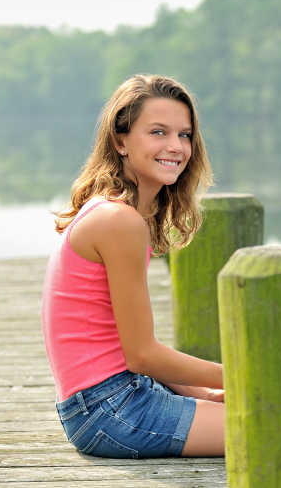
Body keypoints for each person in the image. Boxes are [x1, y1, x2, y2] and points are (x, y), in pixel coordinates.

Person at [41, 74, 224, 458]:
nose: (176, 147)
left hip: (111, 398)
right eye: (158, 132)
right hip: (111, 409)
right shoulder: (119, 221)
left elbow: (128, 353)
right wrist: (240, 372)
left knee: (251, 407)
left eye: (185, 135)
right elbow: (142, 354)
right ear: (120, 141)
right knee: (280, 422)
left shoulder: (115, 212)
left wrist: (203, 390)